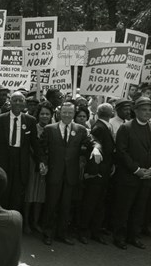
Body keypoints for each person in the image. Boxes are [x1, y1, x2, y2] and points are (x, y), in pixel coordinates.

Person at [40, 102, 102, 246]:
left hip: (71, 174)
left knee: (66, 205)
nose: (67, 115)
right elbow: (41, 149)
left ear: (73, 114)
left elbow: (94, 142)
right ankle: (47, 233)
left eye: (70, 113)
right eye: (64, 112)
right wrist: (43, 163)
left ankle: (62, 233)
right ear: (59, 113)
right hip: (54, 173)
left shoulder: (80, 129)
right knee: (51, 204)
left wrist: (96, 149)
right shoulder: (49, 129)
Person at [0, 92, 45, 212]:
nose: (17, 103)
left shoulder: (30, 121)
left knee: (17, 196)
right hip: (3, 161)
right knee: (3, 193)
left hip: (21, 162)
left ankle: (12, 223)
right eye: (15, 100)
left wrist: (41, 161)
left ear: (24, 103)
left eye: (20, 100)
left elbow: (35, 144)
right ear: (10, 102)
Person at [112, 97, 151, 249]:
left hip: (146, 177)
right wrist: (136, 170)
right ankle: (119, 237)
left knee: (139, 208)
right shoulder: (126, 127)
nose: (147, 113)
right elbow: (121, 152)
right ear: (136, 111)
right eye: (144, 109)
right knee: (124, 207)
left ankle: (133, 236)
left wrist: (149, 170)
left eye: (149, 110)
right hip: (129, 176)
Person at [79, 103, 115, 244]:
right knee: (90, 203)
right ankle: (83, 230)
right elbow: (93, 150)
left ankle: (95, 231)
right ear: (110, 112)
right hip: (97, 174)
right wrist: (94, 172)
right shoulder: (99, 128)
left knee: (99, 203)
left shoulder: (105, 126)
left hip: (105, 172)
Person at [23, 102, 53, 234]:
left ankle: (35, 222)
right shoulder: (32, 127)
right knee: (29, 194)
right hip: (31, 164)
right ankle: (26, 222)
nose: (45, 116)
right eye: (42, 113)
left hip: (46, 165)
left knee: (40, 195)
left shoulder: (54, 129)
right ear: (38, 114)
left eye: (47, 114)